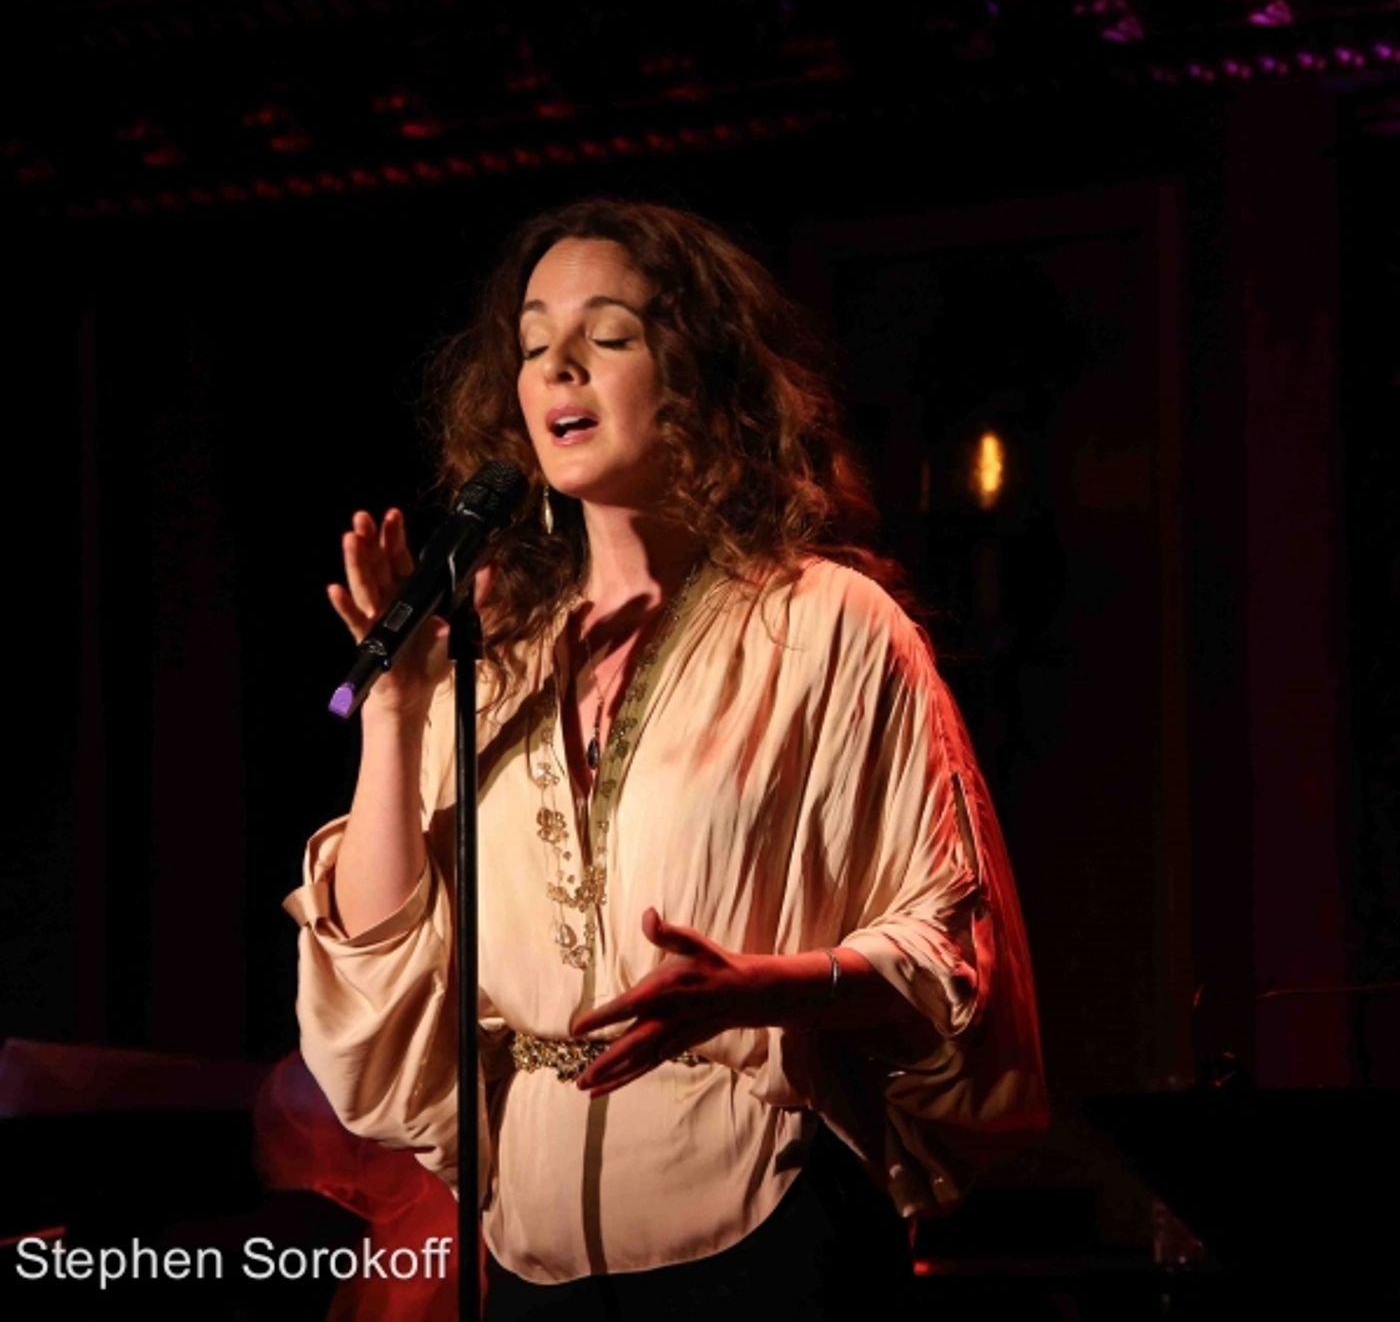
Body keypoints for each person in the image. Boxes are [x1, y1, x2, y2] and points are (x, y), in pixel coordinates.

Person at [283, 199, 1047, 1319]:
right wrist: (397, 718)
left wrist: (756, 989)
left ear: (695, 375)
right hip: (532, 1252)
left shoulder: (825, 623)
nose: (558, 369)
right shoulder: (490, 662)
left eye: (608, 335)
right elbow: (381, 967)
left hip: (771, 1224)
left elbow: (947, 935)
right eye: (535, 343)